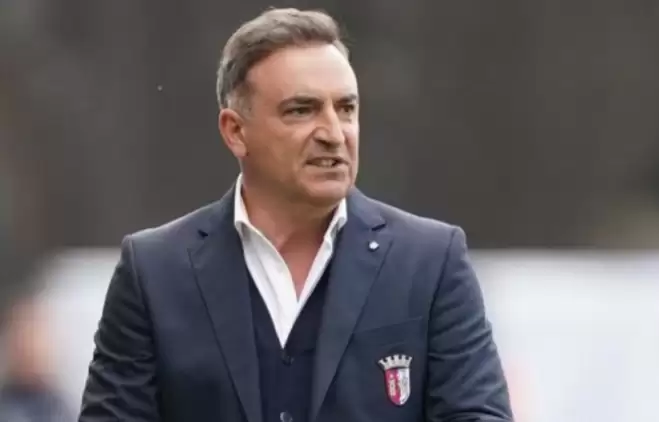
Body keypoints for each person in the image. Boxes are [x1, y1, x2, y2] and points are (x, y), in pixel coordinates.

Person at [78, 8, 513, 422]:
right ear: (235, 131)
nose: (333, 133)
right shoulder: (154, 272)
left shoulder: (431, 262)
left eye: (346, 108)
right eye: (302, 110)